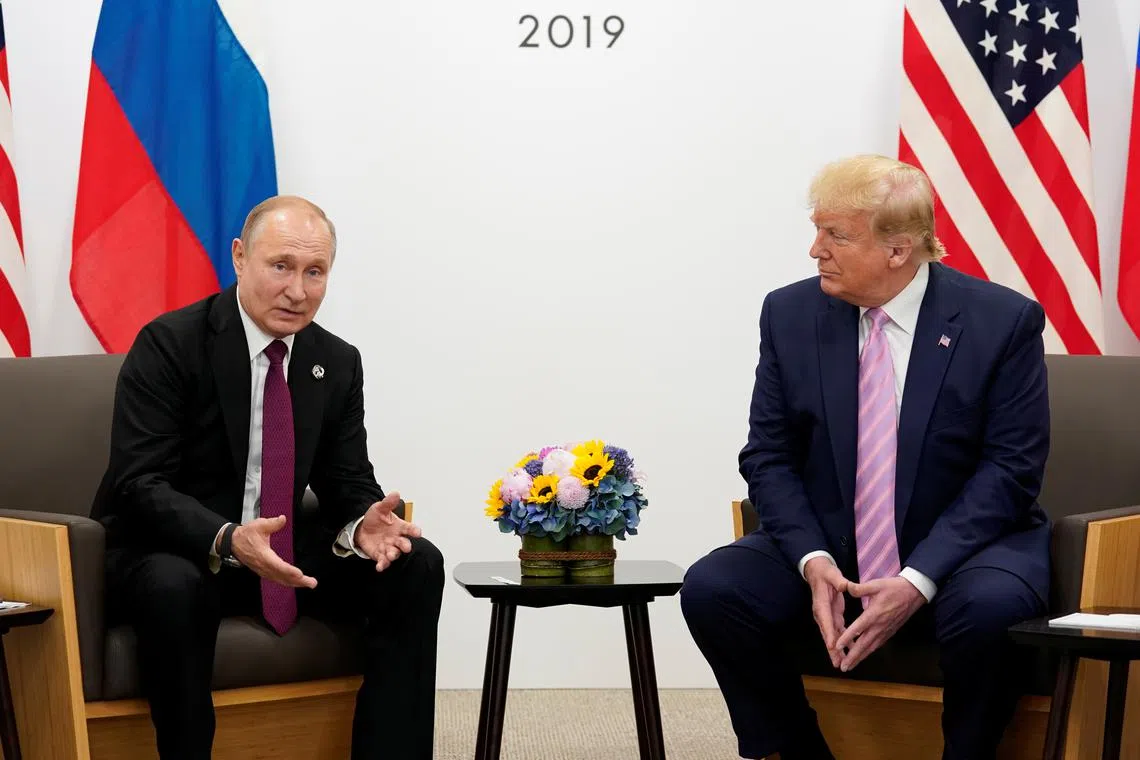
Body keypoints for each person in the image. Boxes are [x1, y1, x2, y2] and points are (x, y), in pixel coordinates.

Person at [680, 155, 1050, 760]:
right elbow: (768, 455)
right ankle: (797, 752)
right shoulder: (791, 314)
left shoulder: (1002, 322)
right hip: (834, 541)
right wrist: (811, 557)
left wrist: (916, 577)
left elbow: (1011, 471)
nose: (814, 250)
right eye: (817, 228)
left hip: (965, 548)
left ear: (899, 251)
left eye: (836, 235)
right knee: (715, 588)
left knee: (991, 609)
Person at [91, 195, 444, 760]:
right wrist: (228, 538)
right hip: (175, 545)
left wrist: (362, 525)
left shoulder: (336, 361)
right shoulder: (170, 343)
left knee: (414, 563)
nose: (298, 291)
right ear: (239, 257)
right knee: (174, 584)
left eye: (314, 272)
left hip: (278, 548)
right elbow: (139, 484)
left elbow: (346, 479)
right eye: (281, 266)